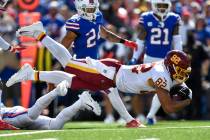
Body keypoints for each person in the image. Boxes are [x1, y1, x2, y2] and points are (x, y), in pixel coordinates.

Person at [7, 22, 192, 120]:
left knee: (71, 81)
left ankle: (31, 74)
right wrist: (187, 99)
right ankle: (41, 33)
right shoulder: (161, 75)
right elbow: (168, 107)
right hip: (108, 72)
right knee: (68, 63)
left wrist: (182, 84)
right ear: (171, 66)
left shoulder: (164, 69)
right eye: (180, 69)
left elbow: (175, 81)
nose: (182, 74)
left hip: (111, 79)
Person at [61, 0, 137, 124]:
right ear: (79, 8)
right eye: (88, 9)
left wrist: (125, 42)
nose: (91, 12)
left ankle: (127, 119)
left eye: (93, 9)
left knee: (108, 88)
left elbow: (105, 34)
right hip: (81, 63)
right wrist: (65, 63)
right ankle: (129, 120)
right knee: (109, 87)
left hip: (92, 63)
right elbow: (63, 46)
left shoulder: (97, 17)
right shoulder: (76, 22)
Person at [129, 0, 184, 124]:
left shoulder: (173, 18)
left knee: (162, 88)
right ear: (154, 5)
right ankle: (140, 115)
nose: (162, 8)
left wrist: (178, 56)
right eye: (159, 5)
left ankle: (150, 115)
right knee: (141, 88)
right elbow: (141, 40)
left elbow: (177, 40)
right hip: (149, 59)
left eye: (164, 5)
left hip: (165, 60)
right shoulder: (146, 17)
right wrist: (135, 57)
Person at [1, 80, 101, 130]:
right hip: (10, 119)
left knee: (30, 116)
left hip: (5, 114)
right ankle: (81, 102)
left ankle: (56, 91)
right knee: (55, 125)